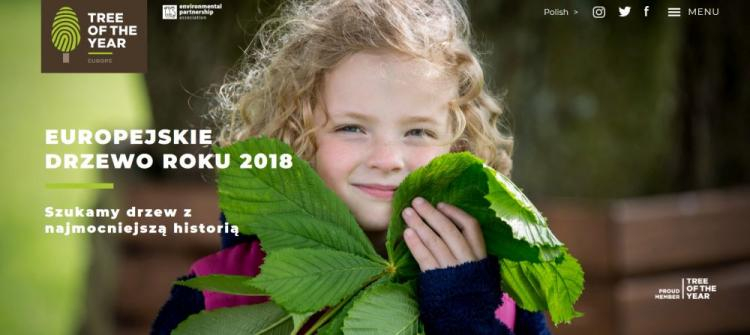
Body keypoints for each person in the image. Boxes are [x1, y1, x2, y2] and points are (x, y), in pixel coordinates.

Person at [152, 1, 550, 334]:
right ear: (297, 138)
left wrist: (465, 317)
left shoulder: (500, 296)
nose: (387, 159)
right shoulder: (220, 292)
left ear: (459, 146)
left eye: (418, 132)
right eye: (352, 128)